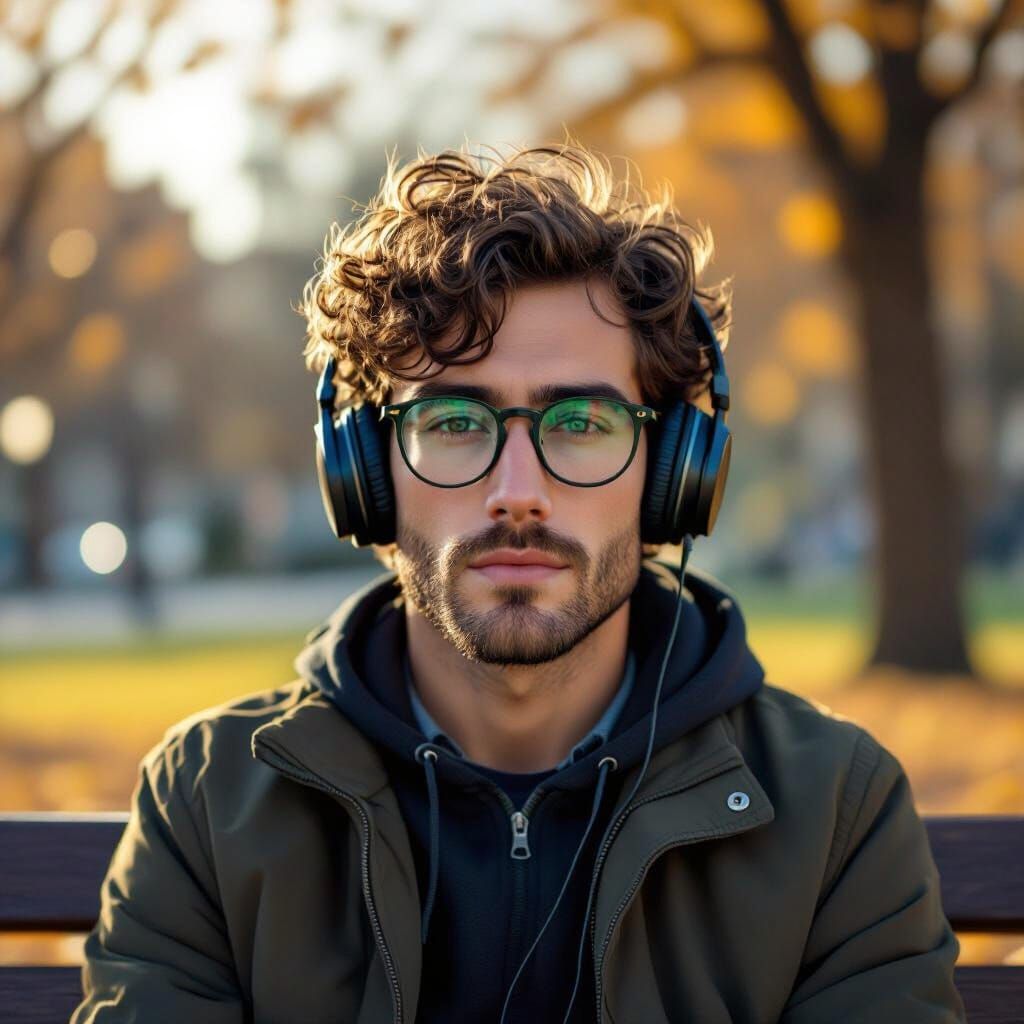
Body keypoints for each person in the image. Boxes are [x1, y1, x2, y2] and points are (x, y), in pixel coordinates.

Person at [72, 141, 965, 1024]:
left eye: (581, 422)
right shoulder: (209, 801)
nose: (518, 494)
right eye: (454, 421)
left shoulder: (833, 808)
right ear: (364, 474)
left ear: (670, 475)